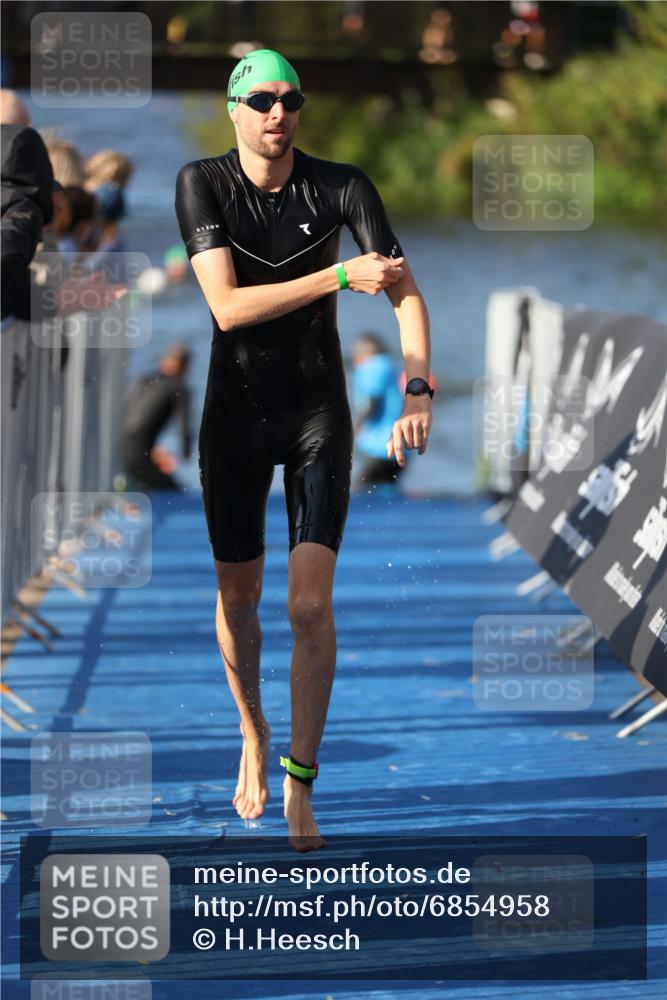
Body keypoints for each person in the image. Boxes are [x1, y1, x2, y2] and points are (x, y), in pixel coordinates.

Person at [174, 48, 433, 852]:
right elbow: (226, 308)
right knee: (240, 603)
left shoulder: (343, 186)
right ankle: (252, 729)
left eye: (290, 100)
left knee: (308, 606)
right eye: (260, 101)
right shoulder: (202, 184)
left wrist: (419, 386)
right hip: (236, 418)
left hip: (317, 413)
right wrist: (333, 279)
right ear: (233, 110)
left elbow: (401, 289)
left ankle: (300, 782)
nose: (277, 113)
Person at [123, 344, 192, 491]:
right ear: (185, 367)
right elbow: (184, 431)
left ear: (163, 362)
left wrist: (152, 450)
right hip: (138, 457)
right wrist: (186, 452)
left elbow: (131, 420)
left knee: (144, 484)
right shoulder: (179, 387)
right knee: (174, 491)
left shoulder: (143, 381)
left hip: (118, 453)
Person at [351, 332, 409, 490]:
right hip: (398, 445)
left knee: (359, 492)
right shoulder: (388, 364)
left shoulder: (373, 366)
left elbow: (371, 403)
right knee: (385, 492)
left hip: (380, 447)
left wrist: (353, 430)